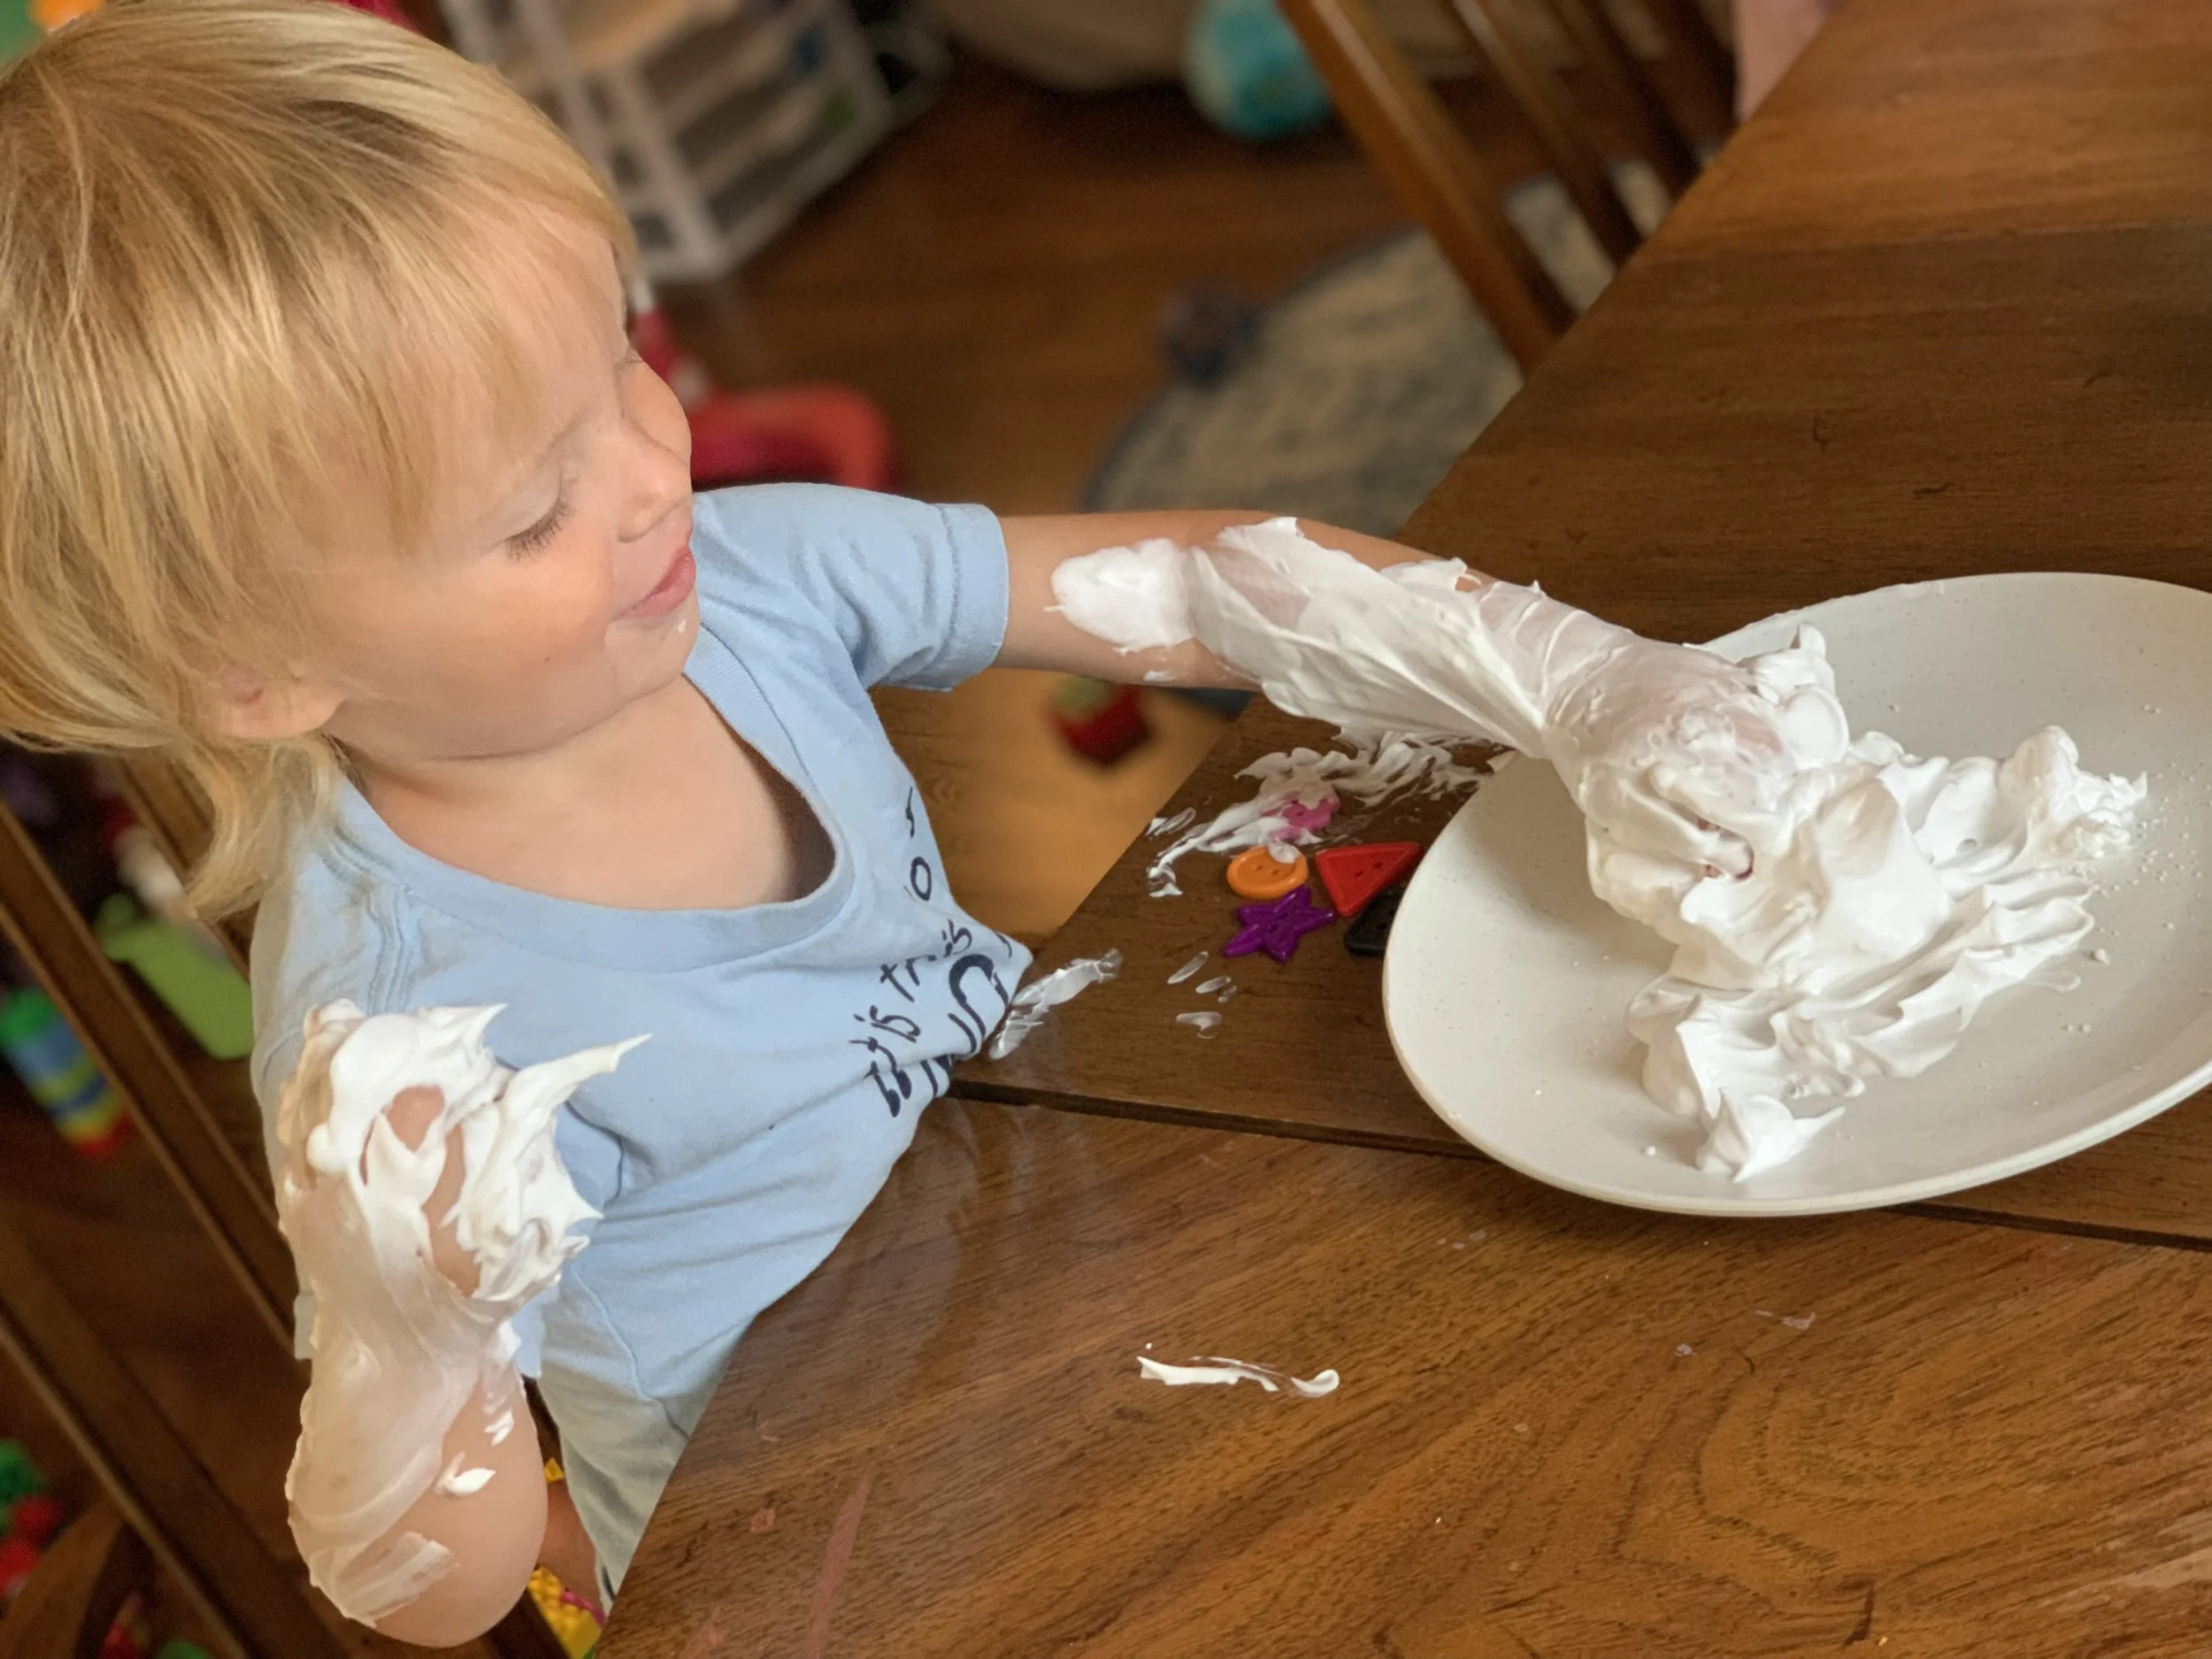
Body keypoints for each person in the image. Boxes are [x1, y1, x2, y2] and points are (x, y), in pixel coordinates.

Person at [0, 0, 1796, 1644]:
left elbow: (1189, 586)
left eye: (620, 366)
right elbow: (430, 1585)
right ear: (260, 673)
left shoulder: (754, 580)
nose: (648, 474)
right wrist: (416, 1333)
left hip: (1082, 1263)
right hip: (844, 1548)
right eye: (535, 504)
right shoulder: (407, 1035)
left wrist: (1578, 675)